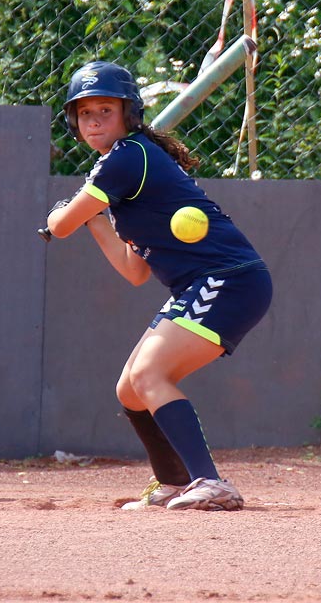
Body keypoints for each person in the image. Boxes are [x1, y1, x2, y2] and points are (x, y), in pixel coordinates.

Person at [45, 60, 273, 511]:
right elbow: (135, 270)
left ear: (129, 115)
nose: (94, 120)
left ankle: (210, 481)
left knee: (151, 375)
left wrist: (61, 213)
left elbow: (60, 225)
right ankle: (174, 481)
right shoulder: (126, 166)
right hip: (203, 285)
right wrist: (96, 222)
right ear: (74, 121)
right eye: (85, 112)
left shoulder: (128, 156)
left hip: (228, 280)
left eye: (106, 110)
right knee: (130, 389)